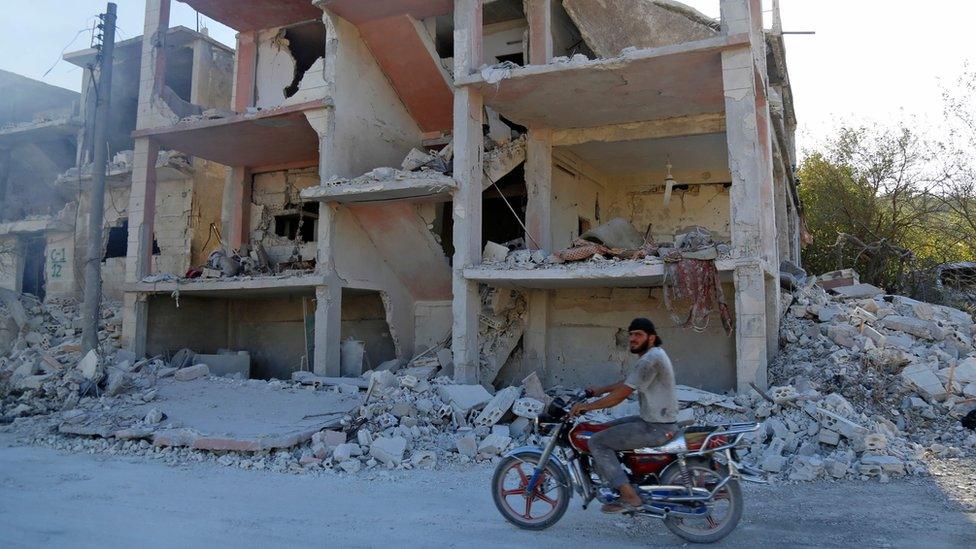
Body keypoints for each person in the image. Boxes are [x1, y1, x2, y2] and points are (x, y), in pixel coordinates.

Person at [569, 317, 678, 513]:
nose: (633, 339)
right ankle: (621, 479)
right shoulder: (653, 356)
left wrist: (587, 407)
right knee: (605, 428)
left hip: (656, 427)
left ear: (651, 338)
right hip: (652, 421)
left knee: (597, 442)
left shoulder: (650, 360)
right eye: (631, 334)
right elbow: (628, 383)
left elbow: (621, 395)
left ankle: (629, 496)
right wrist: (598, 390)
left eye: (638, 335)